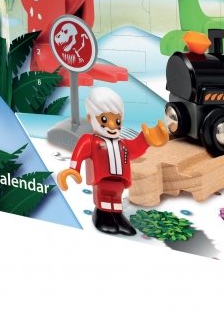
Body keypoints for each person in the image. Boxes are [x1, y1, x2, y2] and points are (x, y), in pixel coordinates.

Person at [57, 87, 169, 236]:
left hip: (119, 181)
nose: (111, 126)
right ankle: (102, 216)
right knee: (104, 197)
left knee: (116, 199)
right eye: (104, 119)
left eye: (116, 121)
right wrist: (73, 170)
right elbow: (79, 153)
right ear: (90, 119)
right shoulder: (90, 141)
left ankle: (117, 217)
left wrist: (147, 138)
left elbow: (136, 148)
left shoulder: (123, 144)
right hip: (102, 180)